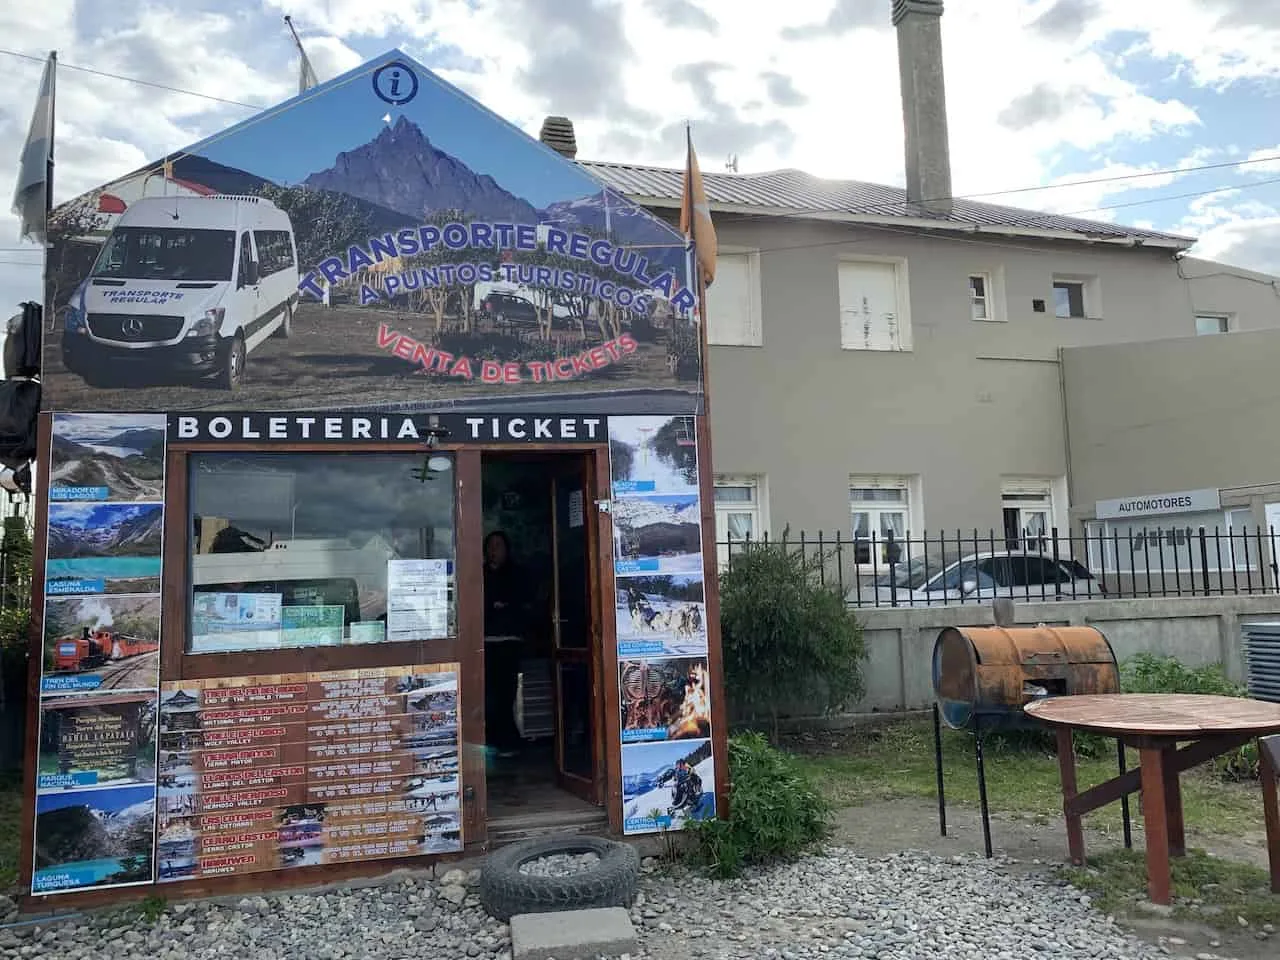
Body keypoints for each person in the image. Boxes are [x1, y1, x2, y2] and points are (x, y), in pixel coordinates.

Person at [483, 530, 527, 757]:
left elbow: (520, 603)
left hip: (509, 642)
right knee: (487, 695)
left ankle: (508, 742)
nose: (494, 550)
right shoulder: (480, 575)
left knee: (506, 694)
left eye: (498, 546)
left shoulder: (516, 575)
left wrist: (503, 606)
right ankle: (492, 741)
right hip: (485, 643)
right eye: (490, 546)